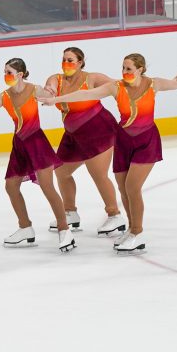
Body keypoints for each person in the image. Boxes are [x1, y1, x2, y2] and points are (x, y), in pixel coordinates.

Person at [42, 54, 177, 255]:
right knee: (122, 186)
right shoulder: (116, 87)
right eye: (123, 68)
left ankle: (136, 232)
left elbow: (175, 84)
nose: (125, 72)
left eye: (129, 69)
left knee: (132, 186)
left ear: (140, 69)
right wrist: (56, 100)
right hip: (124, 140)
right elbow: (85, 94)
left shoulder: (153, 84)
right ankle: (130, 228)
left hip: (146, 141)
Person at [0, 58, 76, 253]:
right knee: (11, 186)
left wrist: (52, 94)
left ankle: (64, 229)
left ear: (20, 74)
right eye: (4, 72)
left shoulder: (34, 89)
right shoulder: (4, 96)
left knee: (47, 186)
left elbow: (51, 97)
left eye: (9, 72)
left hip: (36, 142)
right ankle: (25, 227)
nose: (5, 76)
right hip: (19, 144)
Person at [43, 47, 125, 238]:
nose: (66, 64)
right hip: (73, 135)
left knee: (98, 174)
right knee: (62, 171)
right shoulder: (57, 79)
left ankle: (114, 215)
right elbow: (50, 87)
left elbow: (119, 87)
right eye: (64, 59)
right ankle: (70, 213)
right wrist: (49, 91)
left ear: (80, 62)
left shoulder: (92, 78)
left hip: (99, 131)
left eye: (70, 60)